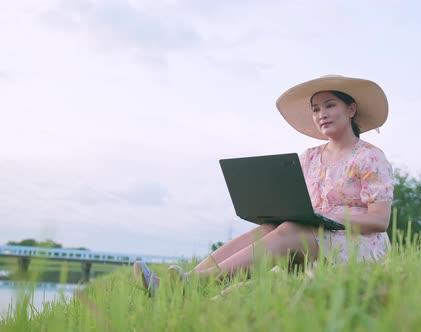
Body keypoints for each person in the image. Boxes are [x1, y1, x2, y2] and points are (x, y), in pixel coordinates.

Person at [133, 75, 394, 294]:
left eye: (329, 105)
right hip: (312, 238)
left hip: (357, 245)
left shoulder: (369, 156)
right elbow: (298, 204)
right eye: (315, 109)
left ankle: (194, 286)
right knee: (271, 226)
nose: (321, 114)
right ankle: (177, 284)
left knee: (290, 227)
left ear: (351, 109)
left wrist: (327, 216)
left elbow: (379, 221)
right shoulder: (310, 157)